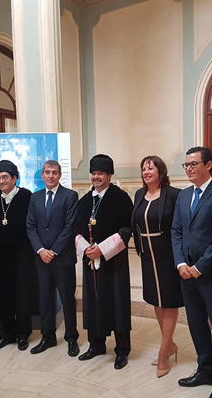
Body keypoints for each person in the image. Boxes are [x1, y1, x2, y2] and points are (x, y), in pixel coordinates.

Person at [171, 147, 212, 398]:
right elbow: (176, 231)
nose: (189, 169)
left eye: (194, 164)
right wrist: (180, 264)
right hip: (186, 273)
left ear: (208, 165)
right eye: (186, 165)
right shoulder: (183, 196)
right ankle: (205, 369)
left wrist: (199, 267)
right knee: (196, 324)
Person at [75, 154, 133, 370]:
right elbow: (76, 229)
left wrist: (102, 249)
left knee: (117, 302)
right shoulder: (84, 201)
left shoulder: (121, 199)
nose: (96, 177)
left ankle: (122, 349)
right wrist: (87, 249)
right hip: (90, 261)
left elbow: (127, 229)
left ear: (110, 175)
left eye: (100, 173)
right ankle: (96, 344)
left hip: (113, 261)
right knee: (92, 301)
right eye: (93, 173)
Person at [131, 155, 183, 378]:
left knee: (169, 300)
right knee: (155, 299)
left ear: (160, 171)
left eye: (150, 168)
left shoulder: (173, 194)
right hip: (146, 254)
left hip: (167, 255)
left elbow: (180, 226)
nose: (146, 172)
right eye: (143, 168)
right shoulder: (139, 194)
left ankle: (164, 351)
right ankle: (169, 344)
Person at [27, 160, 80, 357]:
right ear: (42, 175)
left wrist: (54, 251)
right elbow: (30, 227)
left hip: (63, 258)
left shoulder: (70, 196)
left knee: (67, 299)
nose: (50, 176)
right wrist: (41, 250)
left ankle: (71, 338)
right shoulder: (35, 197)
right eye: (47, 172)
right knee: (45, 299)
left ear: (59, 175)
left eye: (54, 172)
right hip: (41, 259)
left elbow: (70, 227)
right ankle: (47, 337)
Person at [0, 160, 37, 351]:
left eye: (5, 177)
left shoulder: (26, 196)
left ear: (15, 178)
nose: (1, 181)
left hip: (21, 254)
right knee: (2, 294)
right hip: (0, 255)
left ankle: (23, 334)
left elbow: (30, 225)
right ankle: (5, 335)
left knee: (22, 294)